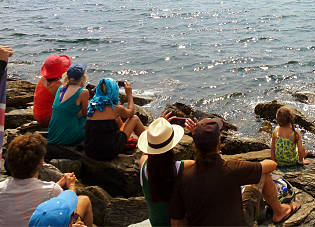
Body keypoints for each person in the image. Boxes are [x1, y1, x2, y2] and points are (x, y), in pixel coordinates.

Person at [170, 118, 301, 226]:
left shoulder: (183, 176)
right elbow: (271, 165)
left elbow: (176, 220)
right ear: (218, 141)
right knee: (262, 173)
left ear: (195, 144)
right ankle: (279, 212)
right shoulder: (231, 168)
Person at [0, 133, 93, 227]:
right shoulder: (52, 190)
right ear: (39, 164)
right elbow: (68, 210)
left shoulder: (1, 188)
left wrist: (59, 184)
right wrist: (71, 185)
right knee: (84, 200)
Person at [138, 113, 197, 227]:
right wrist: (196, 134)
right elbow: (206, 161)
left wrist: (156, 132)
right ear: (172, 145)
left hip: (155, 223)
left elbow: (145, 153)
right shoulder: (184, 167)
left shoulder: (143, 166)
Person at [84, 78, 145, 160]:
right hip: (110, 152)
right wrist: (129, 94)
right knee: (135, 118)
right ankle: (149, 144)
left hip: (90, 151)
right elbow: (131, 113)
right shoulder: (116, 109)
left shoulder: (90, 107)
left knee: (115, 119)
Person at [47, 64, 90, 146]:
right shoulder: (83, 92)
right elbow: (86, 113)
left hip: (53, 134)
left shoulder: (61, 88)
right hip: (68, 138)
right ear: (82, 77)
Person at [33, 54, 72, 127]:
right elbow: (69, 102)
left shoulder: (42, 79)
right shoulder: (57, 86)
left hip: (38, 114)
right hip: (48, 118)